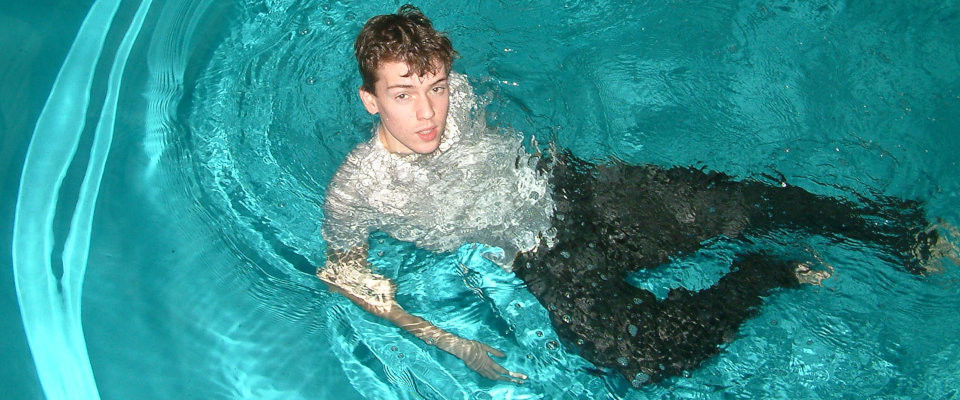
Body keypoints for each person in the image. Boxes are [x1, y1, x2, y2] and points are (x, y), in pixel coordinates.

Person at [317, 4, 959, 387]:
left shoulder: (457, 94)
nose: (429, 111)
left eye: (436, 86)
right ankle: (762, 275)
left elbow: (427, 48)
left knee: (739, 202)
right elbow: (352, 281)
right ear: (370, 100)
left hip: (574, 190)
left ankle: (904, 232)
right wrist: (457, 345)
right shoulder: (357, 191)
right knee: (644, 359)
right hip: (539, 258)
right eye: (404, 95)